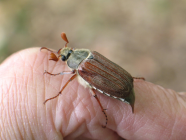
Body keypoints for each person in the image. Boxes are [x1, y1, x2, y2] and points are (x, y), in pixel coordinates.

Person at [0, 48, 186, 140]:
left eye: (66, 55)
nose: (65, 56)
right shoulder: (91, 54)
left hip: (120, 88)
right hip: (124, 80)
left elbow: (67, 75)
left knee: (93, 94)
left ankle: (105, 110)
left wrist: (57, 93)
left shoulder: (80, 68)